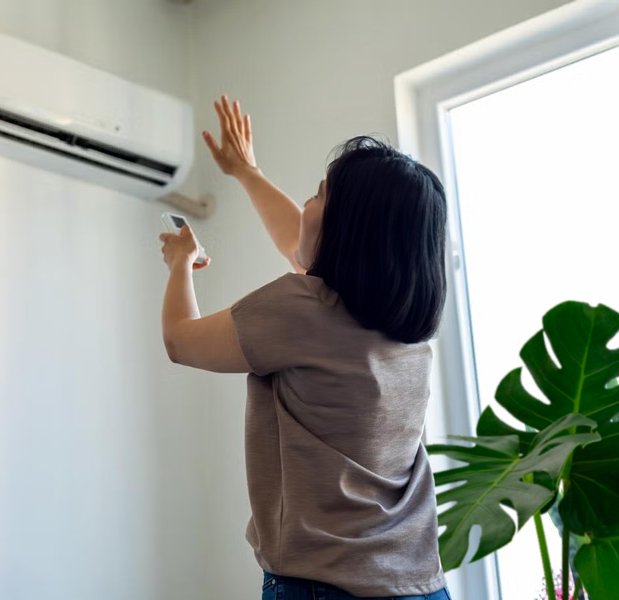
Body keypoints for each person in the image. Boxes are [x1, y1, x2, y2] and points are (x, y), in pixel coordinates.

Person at [158, 95, 451, 600]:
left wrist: (181, 263)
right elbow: (296, 238)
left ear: (347, 231)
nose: (306, 205)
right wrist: (247, 173)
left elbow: (180, 341)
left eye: (318, 194)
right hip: (419, 584)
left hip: (324, 586)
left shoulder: (302, 309)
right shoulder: (404, 335)